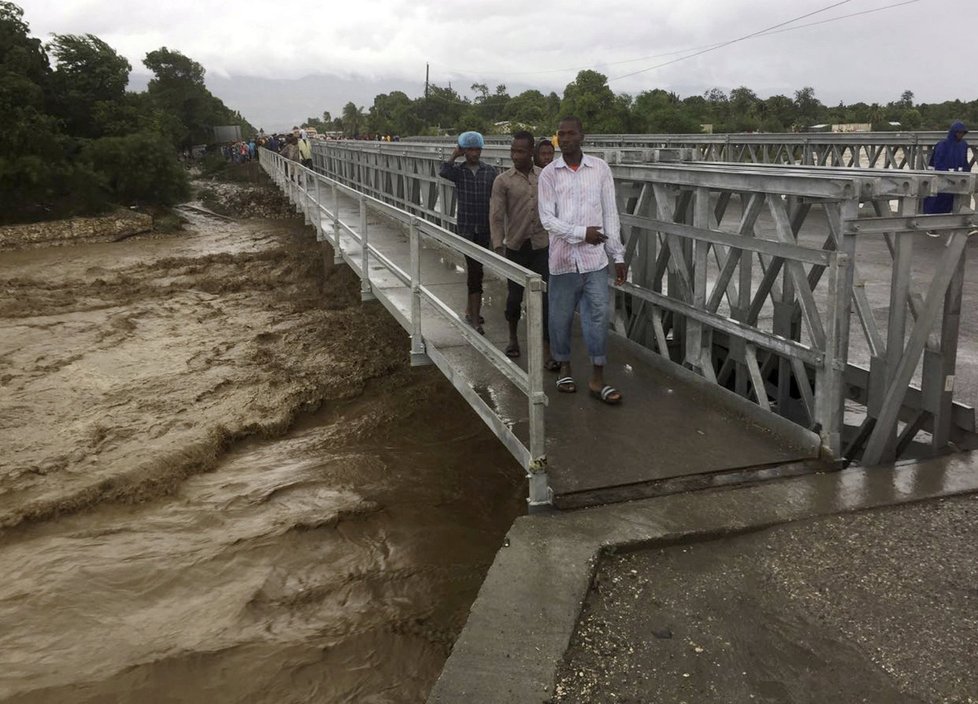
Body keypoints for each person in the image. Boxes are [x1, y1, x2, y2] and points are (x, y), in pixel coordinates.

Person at [538, 116, 627, 405]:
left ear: (581, 136)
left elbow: (609, 213)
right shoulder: (549, 174)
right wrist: (580, 233)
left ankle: (597, 377)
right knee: (559, 317)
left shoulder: (600, 169)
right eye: (560, 134)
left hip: (595, 261)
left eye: (570, 133)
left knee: (599, 317)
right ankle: (564, 367)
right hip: (563, 261)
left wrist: (618, 254)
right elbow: (547, 219)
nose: (564, 139)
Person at [489, 130, 557, 368]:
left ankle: (547, 352)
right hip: (516, 246)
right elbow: (496, 216)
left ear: (531, 152)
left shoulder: (545, 176)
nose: (515, 155)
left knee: (546, 299)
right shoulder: (503, 180)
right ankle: (512, 338)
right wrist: (498, 246)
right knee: (514, 297)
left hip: (541, 246)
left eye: (521, 151)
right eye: (513, 151)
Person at [439, 131, 497, 334]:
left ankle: (470, 309)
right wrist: (454, 155)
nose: (474, 153)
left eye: (477, 149)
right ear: (464, 151)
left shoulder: (490, 172)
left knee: (476, 270)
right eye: (469, 149)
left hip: (483, 227)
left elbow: (498, 197)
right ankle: (474, 318)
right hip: (465, 228)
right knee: (475, 271)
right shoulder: (459, 172)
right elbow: (443, 171)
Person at [923, 121, 970, 214]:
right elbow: (938, 163)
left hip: (956, 181)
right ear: (953, 132)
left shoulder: (964, 145)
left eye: (963, 133)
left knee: (950, 204)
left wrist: (966, 175)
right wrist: (948, 176)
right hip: (939, 180)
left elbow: (965, 162)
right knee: (934, 205)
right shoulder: (942, 145)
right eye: (959, 132)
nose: (961, 135)